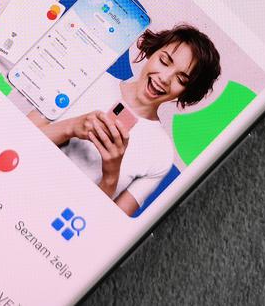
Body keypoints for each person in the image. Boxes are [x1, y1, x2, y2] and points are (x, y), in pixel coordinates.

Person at [29, 24, 221, 216]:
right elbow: (19, 137)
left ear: (187, 92)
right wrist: (70, 127)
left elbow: (105, 224)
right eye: (164, 61)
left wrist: (111, 174)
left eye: (181, 80)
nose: (164, 78)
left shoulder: (161, 152)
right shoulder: (89, 78)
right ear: (153, 51)